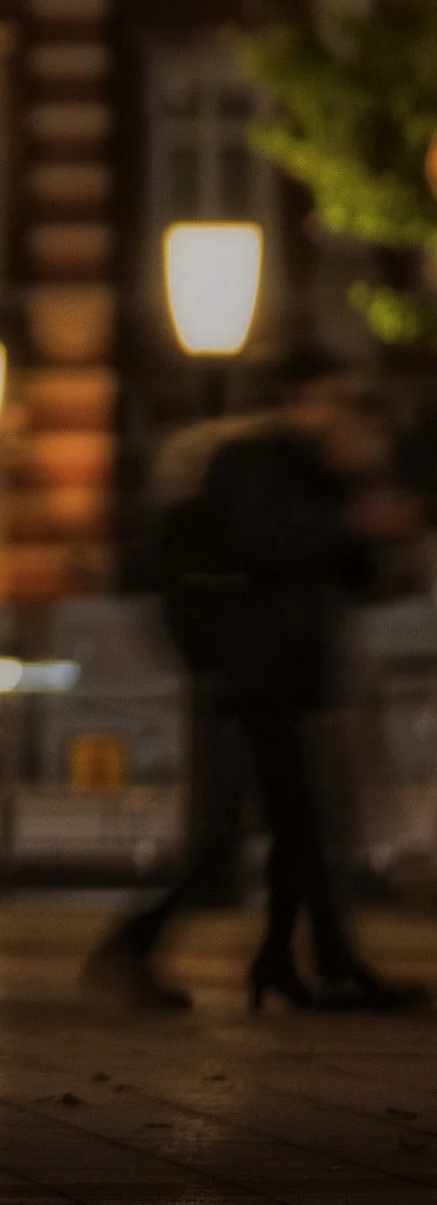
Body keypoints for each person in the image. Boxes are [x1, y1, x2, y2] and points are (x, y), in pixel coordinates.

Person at [85, 362, 428, 1013]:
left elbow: (349, 577)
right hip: (253, 673)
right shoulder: (258, 460)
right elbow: (267, 543)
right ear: (314, 403)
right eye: (351, 414)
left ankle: (291, 960)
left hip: (287, 675)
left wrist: (372, 524)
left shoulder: (316, 475)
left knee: (296, 825)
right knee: (252, 826)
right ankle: (152, 944)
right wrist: (353, 523)